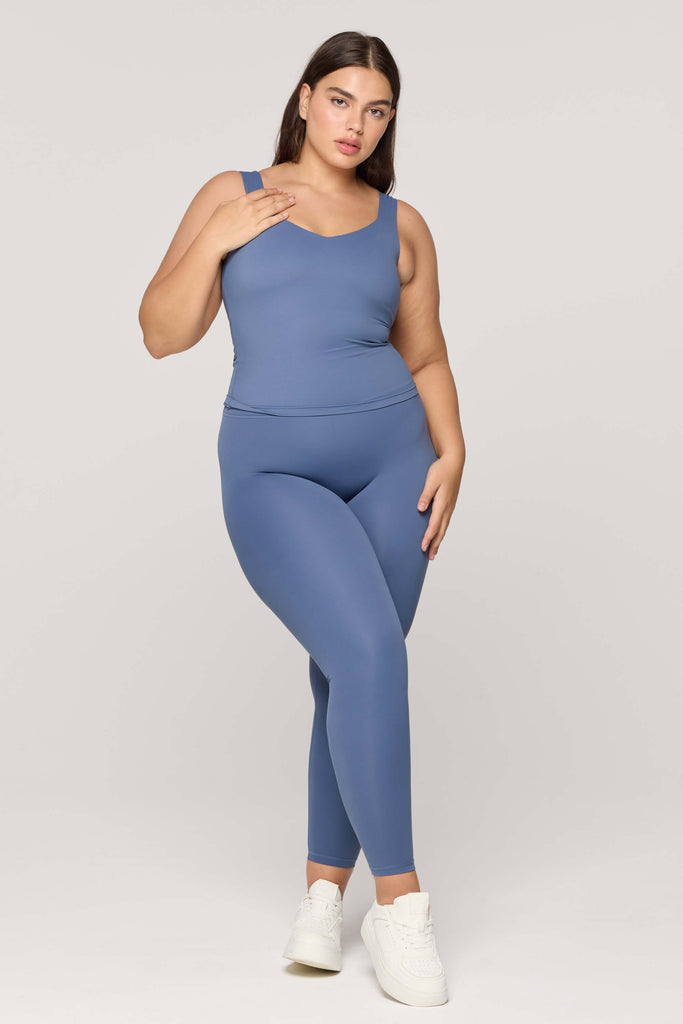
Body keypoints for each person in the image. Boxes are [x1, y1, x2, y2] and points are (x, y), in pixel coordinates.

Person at [138, 30, 465, 1008]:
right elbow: (161, 334)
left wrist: (453, 449)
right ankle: (400, 906)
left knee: (351, 670)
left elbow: (425, 353)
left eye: (377, 110)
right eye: (341, 100)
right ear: (304, 98)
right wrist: (217, 237)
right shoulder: (233, 193)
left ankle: (323, 899)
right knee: (367, 655)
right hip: (272, 469)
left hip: (395, 463)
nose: (356, 124)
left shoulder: (401, 224)